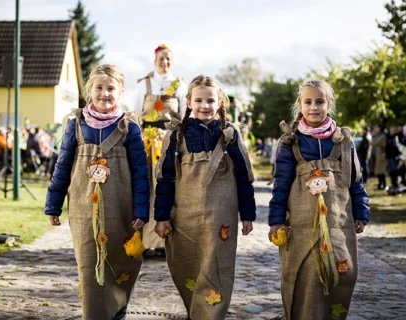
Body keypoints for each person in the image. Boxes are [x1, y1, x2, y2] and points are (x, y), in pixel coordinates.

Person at [45, 64, 150, 320]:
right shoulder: (76, 125)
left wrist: (140, 210)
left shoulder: (129, 127)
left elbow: (140, 173)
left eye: (111, 88)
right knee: (90, 265)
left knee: (120, 261)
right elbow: (62, 167)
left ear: (120, 91)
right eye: (99, 87)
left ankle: (117, 310)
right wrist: (53, 204)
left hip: (120, 209)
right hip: (84, 210)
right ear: (89, 91)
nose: (105, 93)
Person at [154, 75, 256, 320]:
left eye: (210, 100)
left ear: (220, 102)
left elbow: (244, 178)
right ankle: (196, 310)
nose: (204, 105)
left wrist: (248, 215)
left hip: (221, 219)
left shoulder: (230, 135)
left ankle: (210, 314)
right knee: (186, 263)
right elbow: (165, 179)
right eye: (198, 100)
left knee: (216, 265)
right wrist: (161, 217)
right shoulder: (176, 136)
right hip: (185, 218)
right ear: (188, 102)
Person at [268, 78, 370, 320]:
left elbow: (356, 180)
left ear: (329, 104)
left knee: (342, 271)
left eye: (320, 101)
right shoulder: (290, 142)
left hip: (338, 222)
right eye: (308, 102)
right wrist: (276, 220)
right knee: (307, 274)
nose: (314, 107)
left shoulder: (344, 142)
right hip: (301, 225)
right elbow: (281, 185)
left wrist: (362, 212)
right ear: (300, 105)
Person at [131, 43, 188, 255]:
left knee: (169, 188)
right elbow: (135, 115)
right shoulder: (144, 85)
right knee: (146, 188)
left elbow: (184, 115)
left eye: (168, 59)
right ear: (155, 62)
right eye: (161, 59)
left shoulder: (180, 85)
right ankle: (145, 241)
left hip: (170, 141)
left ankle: (167, 241)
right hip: (147, 143)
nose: (164, 63)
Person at [371, 124, 387, 189]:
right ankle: (380, 184)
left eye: (376, 128)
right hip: (376, 156)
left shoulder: (382, 136)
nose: (375, 130)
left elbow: (374, 143)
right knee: (378, 171)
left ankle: (384, 185)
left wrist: (373, 136)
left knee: (382, 171)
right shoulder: (377, 136)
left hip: (381, 156)